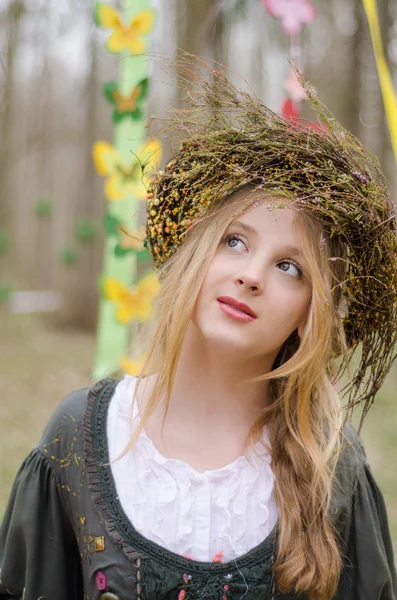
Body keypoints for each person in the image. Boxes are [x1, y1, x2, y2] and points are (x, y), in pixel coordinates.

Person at [1, 59, 397, 600]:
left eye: (290, 267)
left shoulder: (333, 468)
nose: (250, 275)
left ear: (312, 312)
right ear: (192, 254)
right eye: (234, 240)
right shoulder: (79, 439)